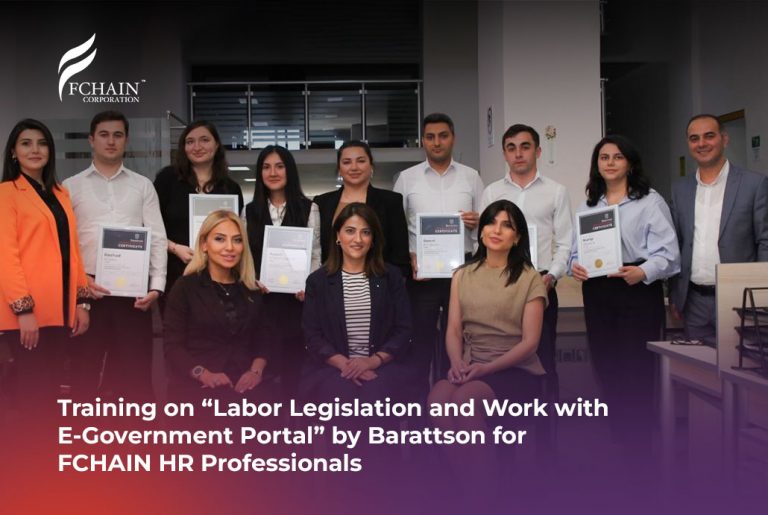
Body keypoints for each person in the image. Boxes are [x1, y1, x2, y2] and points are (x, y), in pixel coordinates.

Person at [570, 135, 680, 450]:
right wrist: (574, 265)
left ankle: (640, 448)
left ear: (630, 163)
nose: (610, 163)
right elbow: (575, 253)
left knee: (637, 371)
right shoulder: (590, 205)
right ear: (597, 164)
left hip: (637, 289)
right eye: (604, 157)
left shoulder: (650, 201)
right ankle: (620, 443)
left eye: (618, 157)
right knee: (607, 367)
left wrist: (642, 272)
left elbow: (670, 255)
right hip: (598, 291)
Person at [428, 200, 546, 477]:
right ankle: (468, 480)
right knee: (438, 399)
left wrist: (486, 369)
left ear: (517, 238)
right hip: (471, 367)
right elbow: (453, 329)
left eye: (507, 226)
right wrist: (456, 363)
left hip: (516, 370)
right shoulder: (462, 275)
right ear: (480, 231)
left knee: (465, 401)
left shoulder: (530, 278)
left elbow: (530, 343)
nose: (497, 230)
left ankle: (484, 489)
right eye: (491, 223)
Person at [63, 110, 168, 401]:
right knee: (83, 375)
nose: (111, 141)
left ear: (126, 140)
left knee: (136, 377)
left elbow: (157, 237)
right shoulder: (70, 186)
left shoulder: (143, 185)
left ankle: (136, 430)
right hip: (87, 292)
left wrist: (156, 287)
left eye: (118, 135)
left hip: (133, 296)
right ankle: (83, 430)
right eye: (104, 135)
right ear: (91, 140)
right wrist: (79, 283)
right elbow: (64, 244)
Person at [0, 119, 90, 412]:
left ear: (50, 150)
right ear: (13, 152)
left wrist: (81, 303)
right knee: (33, 394)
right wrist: (23, 310)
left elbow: (73, 252)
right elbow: (6, 257)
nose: (35, 150)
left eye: (42, 144)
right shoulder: (6, 193)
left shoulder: (60, 193)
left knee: (51, 393)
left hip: (59, 311)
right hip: (26, 315)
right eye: (26, 144)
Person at [393, 113, 484, 393]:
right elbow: (397, 228)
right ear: (423, 141)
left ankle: (453, 401)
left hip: (463, 271)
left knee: (459, 340)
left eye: (443, 136)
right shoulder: (407, 179)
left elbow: (487, 224)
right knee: (419, 343)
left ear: (453, 138)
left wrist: (478, 221)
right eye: (430, 137)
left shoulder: (471, 177)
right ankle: (420, 410)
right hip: (422, 274)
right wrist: (409, 258)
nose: (437, 142)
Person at [480, 124, 572, 401]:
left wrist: (552, 276)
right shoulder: (491, 192)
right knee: (501, 360)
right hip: (500, 288)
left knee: (544, 361)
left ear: (538, 151)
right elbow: (483, 241)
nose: (518, 153)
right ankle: (506, 422)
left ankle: (546, 426)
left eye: (525, 147)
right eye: (511, 148)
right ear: (504, 154)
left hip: (541, 285)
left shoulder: (556, 191)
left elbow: (566, 243)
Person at [670, 114, 768, 344]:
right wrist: (676, 294)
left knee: (741, 362)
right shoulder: (680, 189)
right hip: (693, 302)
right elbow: (677, 243)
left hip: (740, 299)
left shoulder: (754, 184)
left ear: (724, 139)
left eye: (709, 136)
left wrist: (762, 294)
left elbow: (765, 240)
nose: (701, 143)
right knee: (696, 364)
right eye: (694, 138)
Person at [301, 203, 411, 404]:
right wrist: (346, 365)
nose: (358, 239)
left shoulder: (391, 277)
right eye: (350, 231)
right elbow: (312, 335)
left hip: (381, 365)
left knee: (375, 396)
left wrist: (372, 361)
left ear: (373, 238)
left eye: (365, 232)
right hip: (333, 367)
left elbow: (403, 329)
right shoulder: (317, 281)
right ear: (338, 236)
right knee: (339, 394)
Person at [163, 210, 272, 403]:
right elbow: (173, 347)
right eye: (220, 239)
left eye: (237, 240)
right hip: (196, 391)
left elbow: (264, 339)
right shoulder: (185, 287)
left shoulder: (251, 289)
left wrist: (255, 371)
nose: (230, 247)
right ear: (204, 244)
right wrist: (205, 375)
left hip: (245, 390)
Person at [243, 144, 320, 398]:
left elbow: (316, 254)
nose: (273, 172)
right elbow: (245, 256)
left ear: (290, 170)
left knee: (293, 368)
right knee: (262, 364)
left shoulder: (309, 208)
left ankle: (293, 415)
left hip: (296, 303)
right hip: (260, 300)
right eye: (266, 167)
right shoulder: (249, 210)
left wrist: (308, 285)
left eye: (279, 166)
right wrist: (252, 279)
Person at [154, 120, 244, 298]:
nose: (197, 147)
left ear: (216, 145)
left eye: (204, 140)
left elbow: (236, 232)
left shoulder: (230, 188)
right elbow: (151, 226)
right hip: (176, 270)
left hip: (219, 274)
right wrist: (175, 248)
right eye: (190, 141)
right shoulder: (167, 179)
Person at [314, 140, 410, 277]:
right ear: (339, 168)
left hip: (379, 281)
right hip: (330, 282)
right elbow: (317, 250)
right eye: (347, 162)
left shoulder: (390, 201)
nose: (354, 167)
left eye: (361, 161)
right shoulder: (322, 203)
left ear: (371, 166)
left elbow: (400, 254)